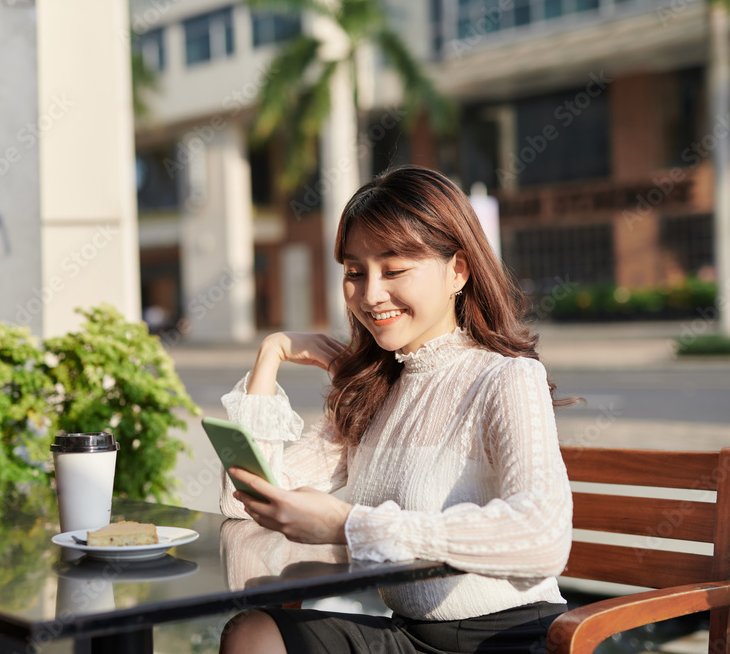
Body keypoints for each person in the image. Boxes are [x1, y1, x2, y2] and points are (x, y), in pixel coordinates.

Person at [217, 165, 573, 654]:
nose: (370, 294)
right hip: (409, 636)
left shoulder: (504, 378)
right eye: (355, 273)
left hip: (509, 639)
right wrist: (270, 355)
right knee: (253, 633)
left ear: (459, 270)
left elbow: (543, 536)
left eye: (395, 269)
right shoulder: (376, 391)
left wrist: (348, 525)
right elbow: (243, 498)